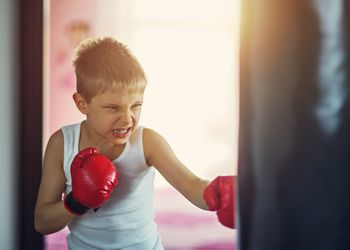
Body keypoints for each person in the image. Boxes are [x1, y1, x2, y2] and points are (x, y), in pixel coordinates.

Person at [34, 37, 235, 249]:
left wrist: (218, 193)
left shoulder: (146, 142)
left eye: (136, 105)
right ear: (82, 104)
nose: (127, 118)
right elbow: (42, 222)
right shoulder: (63, 143)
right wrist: (76, 201)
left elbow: (192, 185)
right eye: (113, 108)